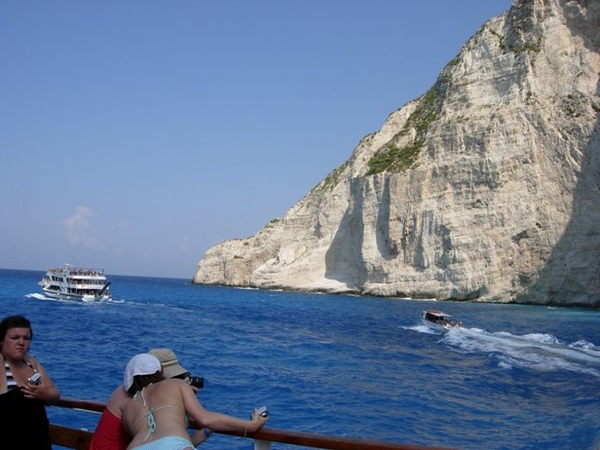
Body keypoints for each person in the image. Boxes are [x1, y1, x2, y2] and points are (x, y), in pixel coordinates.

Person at [121, 353, 268, 450]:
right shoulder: (175, 384)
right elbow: (205, 419)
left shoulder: (128, 408)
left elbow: (155, 436)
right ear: (159, 372)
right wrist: (251, 425)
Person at [90, 348, 209, 450]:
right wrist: (183, 399)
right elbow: (165, 440)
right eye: (174, 377)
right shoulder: (134, 396)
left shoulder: (135, 393)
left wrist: (207, 430)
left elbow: (170, 443)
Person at [0, 314, 60, 450]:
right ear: (2, 340)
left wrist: (44, 395)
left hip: (37, 440)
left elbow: (55, 394)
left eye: (26, 338)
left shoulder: (30, 362)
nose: (21, 342)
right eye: (14, 338)